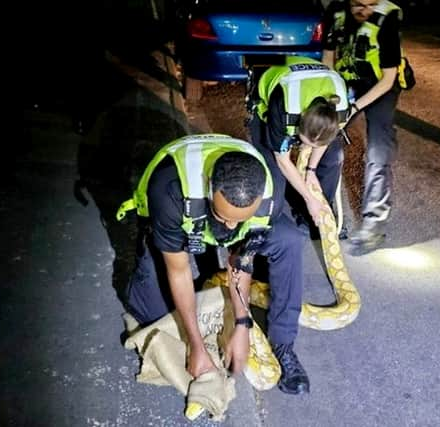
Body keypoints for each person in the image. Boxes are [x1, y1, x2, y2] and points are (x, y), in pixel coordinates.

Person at [116, 134, 310, 395]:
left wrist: (242, 324)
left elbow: (241, 258)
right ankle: (175, 291)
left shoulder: (271, 193)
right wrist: (195, 345)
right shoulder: (170, 190)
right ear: (209, 188)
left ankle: (284, 346)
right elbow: (179, 269)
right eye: (224, 216)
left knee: (289, 239)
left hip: (214, 213)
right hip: (179, 220)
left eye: (241, 220)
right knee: (153, 315)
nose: (232, 226)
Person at [322, 0, 404, 255]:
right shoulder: (335, 12)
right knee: (325, 142)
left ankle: (374, 225)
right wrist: (332, 99)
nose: (365, 10)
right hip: (348, 82)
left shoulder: (387, 17)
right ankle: (326, 216)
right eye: (358, 4)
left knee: (378, 152)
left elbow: (389, 78)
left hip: (380, 85)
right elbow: (328, 58)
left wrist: (355, 108)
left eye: (371, 4)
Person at [248, 56, 349, 235]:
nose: (305, 146)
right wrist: (309, 197)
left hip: (314, 86)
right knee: (274, 179)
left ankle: (315, 214)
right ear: (300, 118)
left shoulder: (339, 108)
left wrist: (311, 170)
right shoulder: (285, 103)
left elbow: (323, 140)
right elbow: (283, 159)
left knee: (334, 156)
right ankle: (271, 221)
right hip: (269, 106)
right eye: (304, 141)